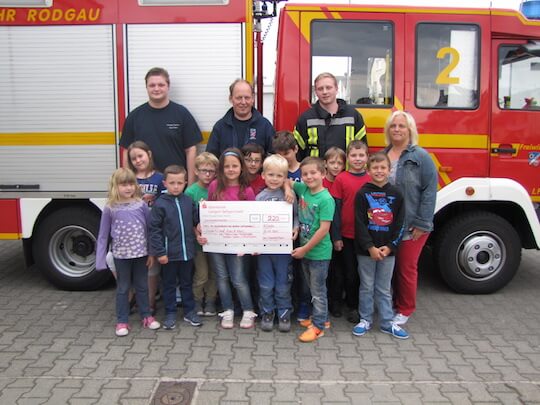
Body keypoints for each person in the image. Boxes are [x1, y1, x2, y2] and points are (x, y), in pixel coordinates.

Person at [383, 111, 438, 326]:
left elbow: (430, 191)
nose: (397, 129)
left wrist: (422, 223)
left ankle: (405, 308)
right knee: (391, 268)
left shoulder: (420, 157)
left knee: (406, 268)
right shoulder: (383, 154)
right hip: (388, 224)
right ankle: (393, 303)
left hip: (411, 224)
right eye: (393, 126)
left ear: (410, 130)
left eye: (401, 126)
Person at [96, 168, 160, 337]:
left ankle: (146, 316)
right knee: (123, 288)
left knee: (142, 286)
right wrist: (100, 260)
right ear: (115, 187)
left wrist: (152, 253)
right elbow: (103, 235)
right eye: (123, 184)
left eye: (131, 183)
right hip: (121, 256)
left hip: (141, 255)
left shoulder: (141, 205)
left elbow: (149, 230)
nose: (128, 188)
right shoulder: (110, 208)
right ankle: (122, 320)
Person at [352, 152, 408, 339]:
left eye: (383, 167)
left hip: (388, 251)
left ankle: (386, 322)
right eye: (375, 167)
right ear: (368, 170)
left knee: (384, 287)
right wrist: (370, 247)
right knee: (366, 285)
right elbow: (359, 223)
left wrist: (391, 246)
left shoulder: (397, 194)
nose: (379, 171)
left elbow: (400, 224)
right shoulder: (362, 193)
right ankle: (365, 319)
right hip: (366, 251)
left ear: (389, 170)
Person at [202, 148, 258, 329]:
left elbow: (252, 219)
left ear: (241, 168)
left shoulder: (247, 191)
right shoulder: (214, 186)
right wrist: (202, 226)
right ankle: (228, 310)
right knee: (221, 277)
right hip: (217, 242)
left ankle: (248, 310)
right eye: (227, 166)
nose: (231, 169)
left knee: (238, 278)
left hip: (238, 245)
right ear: (222, 168)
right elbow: (208, 211)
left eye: (235, 166)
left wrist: (250, 242)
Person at [120, 67, 202, 184]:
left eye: (161, 85)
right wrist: (128, 183)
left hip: (175, 185)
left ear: (168, 86)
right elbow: (126, 151)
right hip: (144, 187)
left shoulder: (181, 114)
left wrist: (190, 185)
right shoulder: (135, 116)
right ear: (146, 87)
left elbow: (191, 150)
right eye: (152, 85)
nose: (156, 89)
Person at [148, 165, 202, 330]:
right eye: (172, 183)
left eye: (180, 182)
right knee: (169, 284)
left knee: (186, 283)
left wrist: (202, 215)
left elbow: (195, 220)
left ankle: (189, 311)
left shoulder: (188, 200)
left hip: (187, 253)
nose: (176, 186)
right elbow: (154, 230)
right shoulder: (160, 204)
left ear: (185, 182)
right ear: (165, 183)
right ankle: (170, 313)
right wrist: (160, 253)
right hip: (168, 255)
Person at [292, 157, 335, 342]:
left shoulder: (326, 199)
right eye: (305, 174)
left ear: (323, 174)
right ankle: (323, 319)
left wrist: (304, 249)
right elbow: (288, 182)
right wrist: (287, 188)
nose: (309, 177)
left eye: (313, 173)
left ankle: (318, 327)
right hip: (306, 252)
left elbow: (323, 230)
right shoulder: (303, 189)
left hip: (318, 253)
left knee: (318, 292)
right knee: (312, 288)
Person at [256, 154, 299, 332]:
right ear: (263, 176)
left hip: (283, 249)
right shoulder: (259, 198)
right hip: (264, 251)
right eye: (271, 175)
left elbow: (296, 216)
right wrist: (253, 244)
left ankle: (284, 312)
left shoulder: (289, 196)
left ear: (285, 178)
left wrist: (295, 228)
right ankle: (267, 312)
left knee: (283, 282)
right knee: (266, 283)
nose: (274, 179)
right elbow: (254, 223)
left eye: (279, 176)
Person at [330, 140, 370, 323]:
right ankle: (340, 303)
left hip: (365, 237)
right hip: (345, 236)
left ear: (367, 157)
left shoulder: (371, 179)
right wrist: (336, 236)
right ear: (348, 158)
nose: (357, 159)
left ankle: (355, 306)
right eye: (353, 155)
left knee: (361, 274)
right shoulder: (341, 179)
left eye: (361, 155)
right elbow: (336, 210)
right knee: (346, 272)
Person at [273, 131, 311, 323]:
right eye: (279, 155)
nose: (283, 159)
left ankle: (304, 303)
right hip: (280, 230)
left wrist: (289, 187)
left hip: (303, 227)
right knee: (287, 272)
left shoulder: (304, 171)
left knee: (303, 271)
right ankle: (289, 303)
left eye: (287, 154)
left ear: (296, 149)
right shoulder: (275, 171)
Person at [293, 72, 368, 160]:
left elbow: (363, 150)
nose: (325, 92)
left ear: (336, 89)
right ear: (316, 92)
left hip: (346, 173)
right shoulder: (305, 118)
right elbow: (297, 153)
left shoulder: (353, 116)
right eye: (320, 89)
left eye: (328, 88)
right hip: (317, 172)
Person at [127, 141, 164, 314]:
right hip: (132, 229)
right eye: (133, 158)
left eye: (140, 156)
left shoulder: (159, 178)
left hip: (152, 229)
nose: (137, 160)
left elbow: (164, 202)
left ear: (149, 154)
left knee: (152, 265)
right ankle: (132, 295)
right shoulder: (129, 179)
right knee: (123, 262)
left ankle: (149, 302)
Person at [185, 152, 220, 317]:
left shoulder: (218, 189)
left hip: (216, 241)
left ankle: (211, 301)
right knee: (202, 274)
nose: (207, 174)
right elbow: (187, 218)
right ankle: (197, 300)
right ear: (196, 171)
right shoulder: (191, 192)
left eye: (211, 171)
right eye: (204, 170)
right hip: (199, 242)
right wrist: (195, 232)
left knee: (214, 272)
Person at [206, 79, 275, 158]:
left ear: (253, 99)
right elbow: (210, 159)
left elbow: (274, 158)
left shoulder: (265, 126)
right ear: (231, 99)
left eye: (247, 98)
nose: (243, 102)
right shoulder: (220, 127)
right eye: (239, 98)